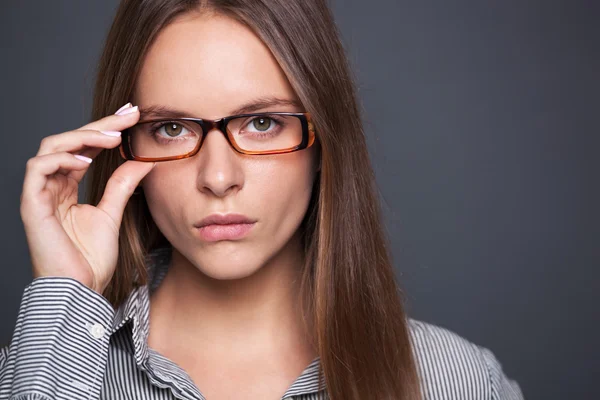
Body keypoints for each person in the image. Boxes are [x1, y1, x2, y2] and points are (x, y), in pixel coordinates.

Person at [0, 0, 525, 399]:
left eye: (262, 123)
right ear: (121, 144)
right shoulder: (33, 371)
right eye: (173, 128)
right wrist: (65, 292)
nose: (219, 176)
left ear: (324, 141)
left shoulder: (453, 380)